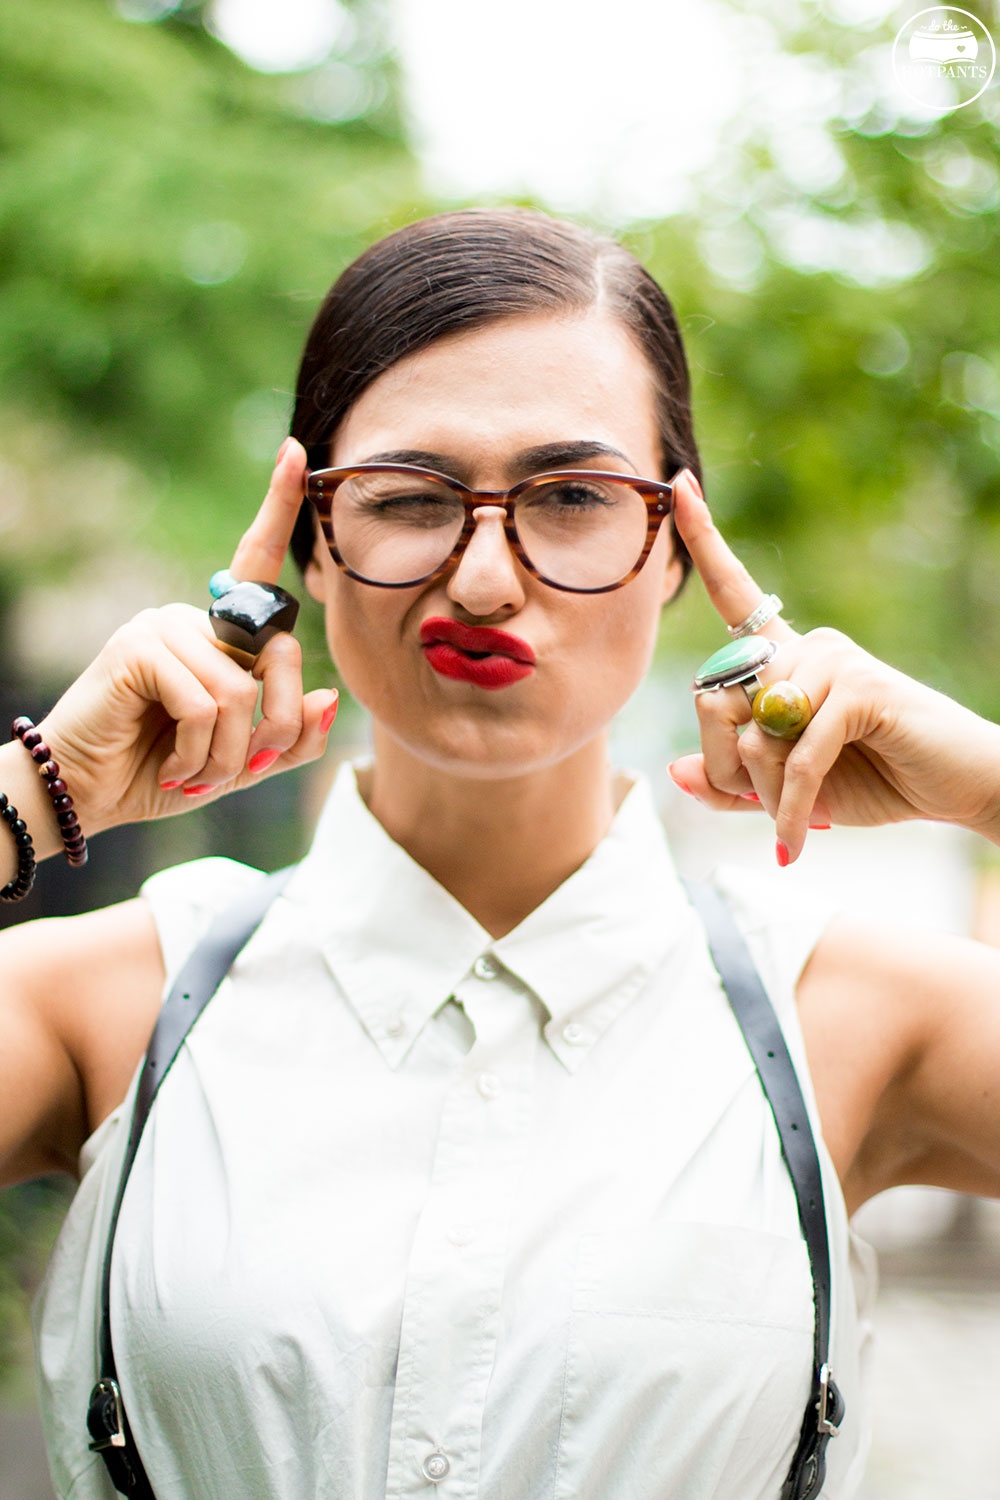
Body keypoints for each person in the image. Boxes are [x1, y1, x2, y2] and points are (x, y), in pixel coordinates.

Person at [2, 207, 1000, 1500]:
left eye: (573, 497)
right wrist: (39, 787)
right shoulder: (109, 1004)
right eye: (411, 496)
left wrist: (986, 777)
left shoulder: (851, 1019)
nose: (482, 577)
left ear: (676, 552)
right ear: (310, 538)